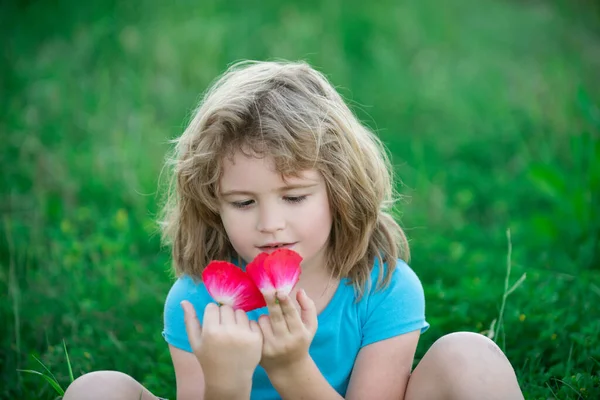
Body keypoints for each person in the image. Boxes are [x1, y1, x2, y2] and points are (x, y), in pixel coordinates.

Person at [63, 60, 524, 400]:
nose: (270, 225)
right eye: (243, 203)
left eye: (295, 197)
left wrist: (291, 368)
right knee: (96, 389)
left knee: (470, 355)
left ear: (340, 190)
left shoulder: (384, 289)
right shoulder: (200, 301)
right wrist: (225, 384)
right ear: (212, 204)